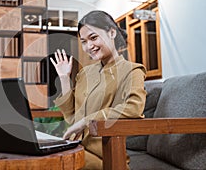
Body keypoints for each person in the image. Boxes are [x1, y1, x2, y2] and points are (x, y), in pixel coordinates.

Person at [50, 10, 147, 169]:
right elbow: (71, 117)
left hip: (106, 156)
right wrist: (64, 77)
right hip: (77, 147)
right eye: (83, 41)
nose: (89, 46)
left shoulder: (132, 70)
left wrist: (86, 121)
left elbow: (134, 108)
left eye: (93, 38)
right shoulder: (85, 73)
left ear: (112, 33)